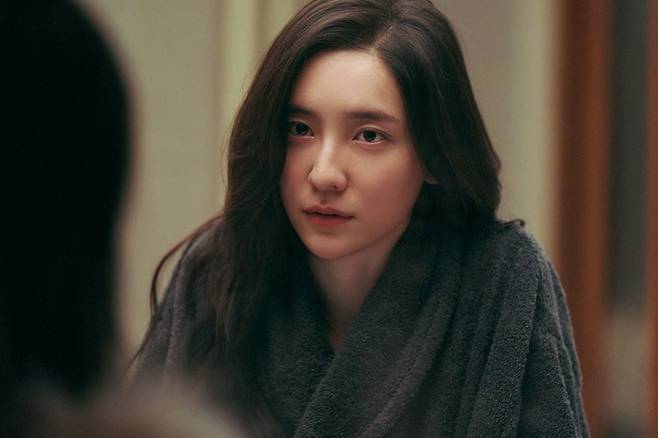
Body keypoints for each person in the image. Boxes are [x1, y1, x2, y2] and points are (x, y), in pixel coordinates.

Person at [135, 0, 590, 436]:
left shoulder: (502, 279)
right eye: (300, 130)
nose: (324, 173)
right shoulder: (218, 269)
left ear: (434, 155)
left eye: (369, 136)